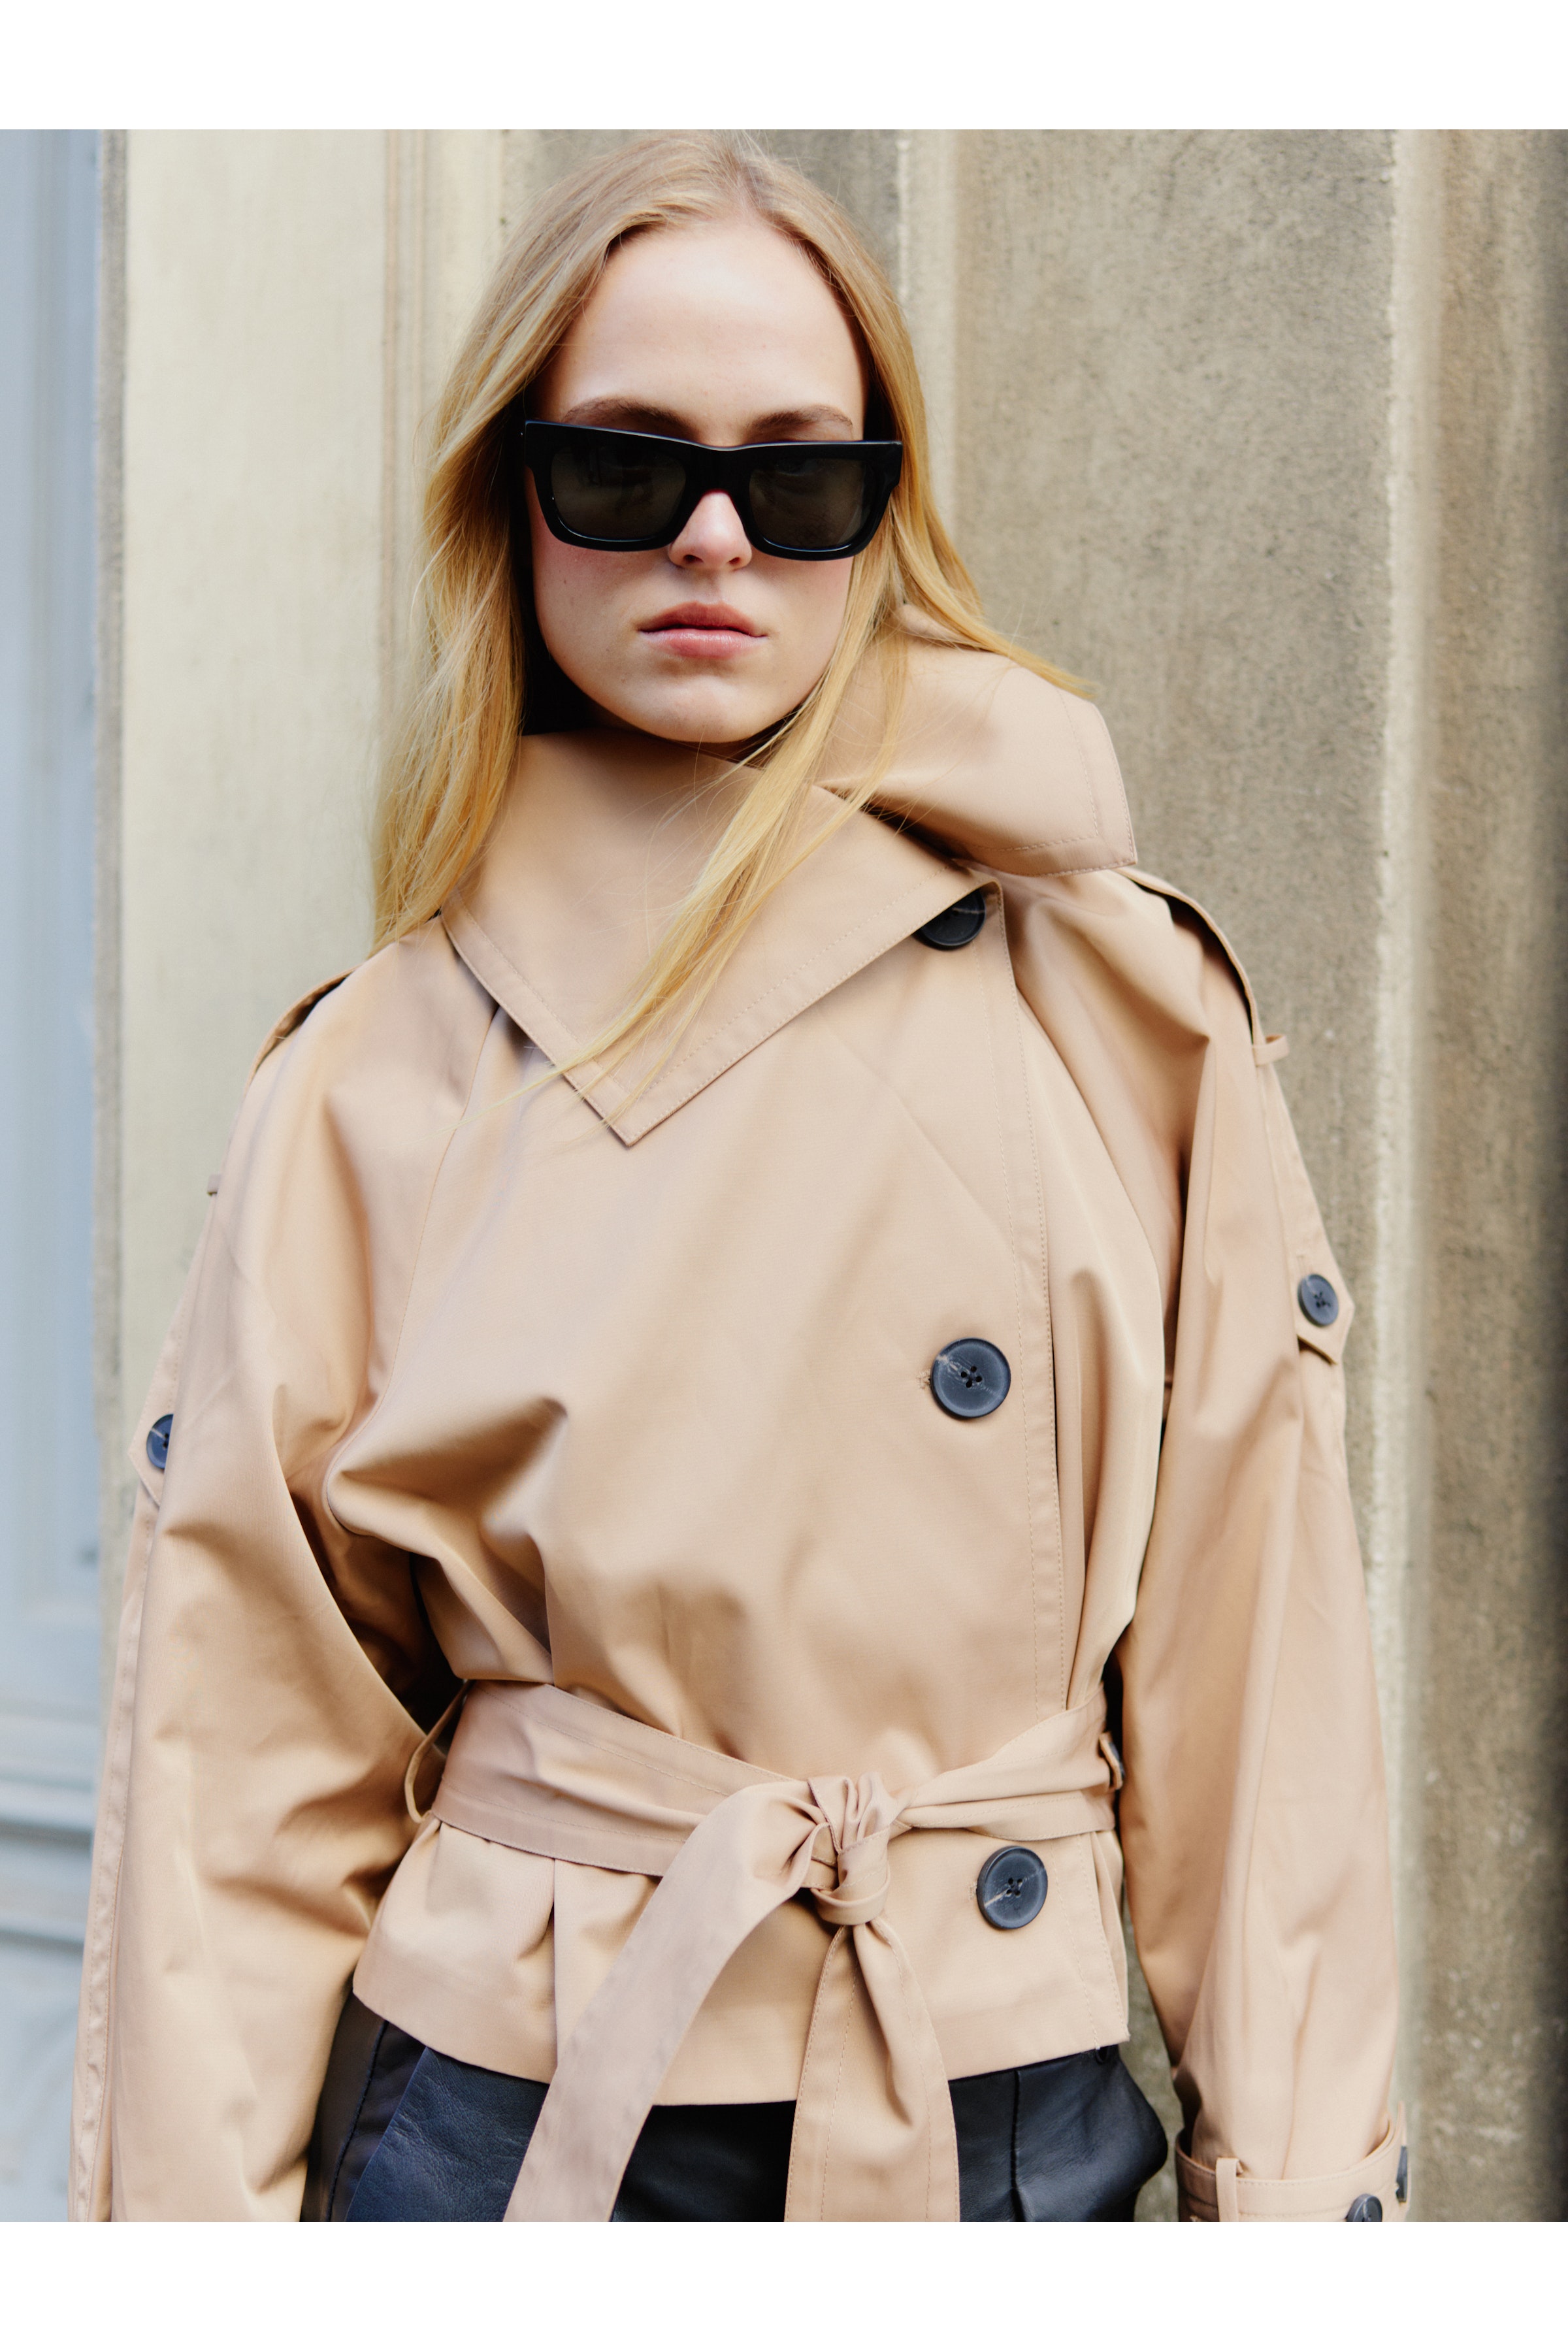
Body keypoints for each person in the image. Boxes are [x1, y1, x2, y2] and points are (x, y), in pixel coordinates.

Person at [70, 132, 1405, 2224]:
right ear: (511, 495)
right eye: (626, 469)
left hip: (987, 2097)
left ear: (883, 511)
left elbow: (1260, 1698)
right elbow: (239, 1773)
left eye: (800, 482)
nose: (715, 538)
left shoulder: (1124, 1004)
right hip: (521, 2110)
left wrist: (1315, 2222)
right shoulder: (372, 1071)